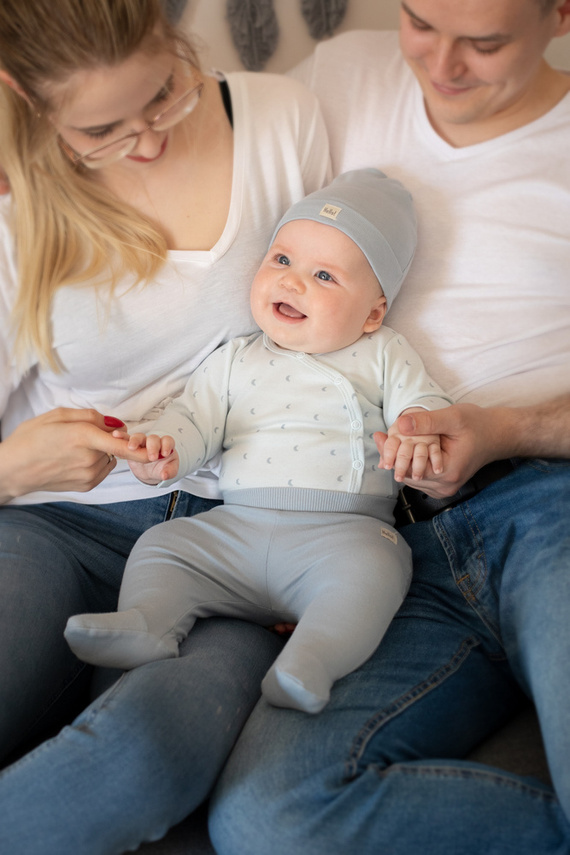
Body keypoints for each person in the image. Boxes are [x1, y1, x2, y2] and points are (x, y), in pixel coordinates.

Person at [207, 1, 570, 853]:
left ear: (559, 15)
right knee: (267, 819)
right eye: (420, 22)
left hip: (547, 508)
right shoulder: (338, 78)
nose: (442, 65)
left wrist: (495, 425)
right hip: (381, 542)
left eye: (484, 43)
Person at [0, 0, 330, 850]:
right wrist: (13, 467)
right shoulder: (15, 210)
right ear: (24, 98)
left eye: (164, 96)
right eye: (102, 130)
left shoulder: (280, 120)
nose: (147, 142)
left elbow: (349, 338)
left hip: (239, 548)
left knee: (141, 758)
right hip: (60, 527)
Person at [63, 169, 453, 714]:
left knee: (380, 568)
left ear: (373, 312)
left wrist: (419, 433)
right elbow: (192, 420)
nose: (292, 283)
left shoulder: (384, 352)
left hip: (341, 536)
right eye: (282, 260)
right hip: (236, 529)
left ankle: (311, 660)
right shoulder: (234, 358)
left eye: (324, 276)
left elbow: (425, 403)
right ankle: (148, 623)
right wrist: (163, 450)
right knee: (164, 546)